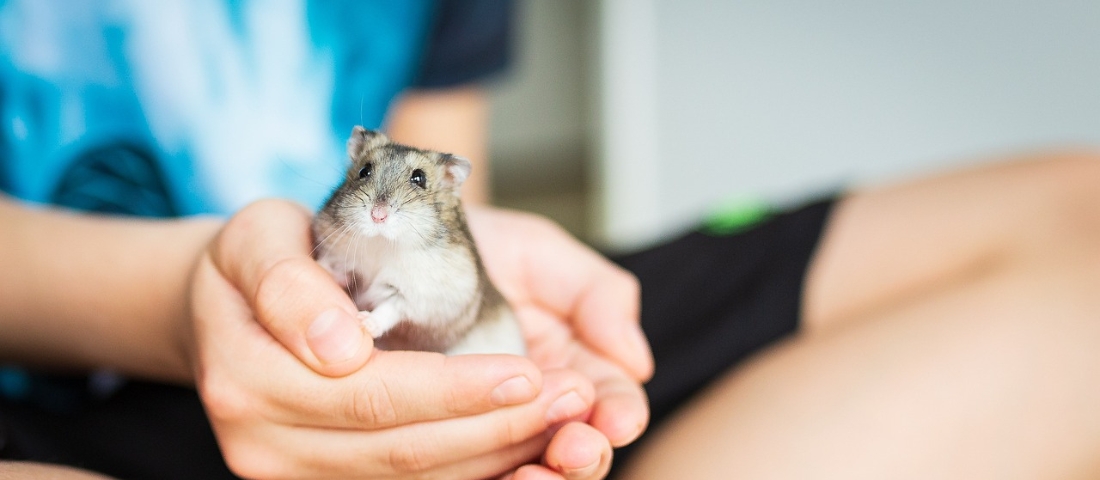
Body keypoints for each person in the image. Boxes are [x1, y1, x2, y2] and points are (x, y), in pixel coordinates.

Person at [1, 1, 649, 479]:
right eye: (369, 176)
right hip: (44, 407)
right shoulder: (336, 219)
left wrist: (401, 314)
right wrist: (184, 300)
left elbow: (451, 262)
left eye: (416, 184)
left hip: (412, 353)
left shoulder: (444, 229)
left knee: (753, 268)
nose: (382, 204)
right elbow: (337, 256)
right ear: (355, 162)